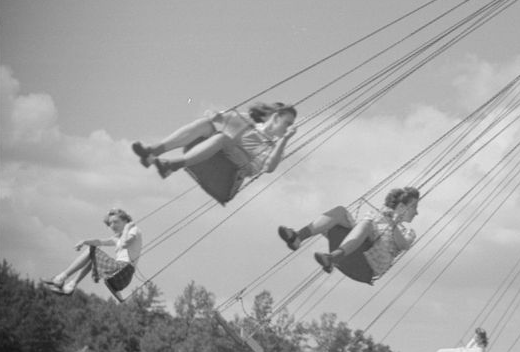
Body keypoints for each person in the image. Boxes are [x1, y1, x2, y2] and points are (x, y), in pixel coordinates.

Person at [277, 187, 420, 282]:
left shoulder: (407, 232)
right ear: (401, 207)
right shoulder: (376, 216)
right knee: (341, 212)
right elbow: (358, 231)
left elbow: (404, 245)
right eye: (414, 207)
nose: (416, 212)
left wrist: (393, 224)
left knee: (367, 223)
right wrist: (384, 218)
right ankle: (297, 237)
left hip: (367, 266)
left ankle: (332, 258)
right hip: (355, 251)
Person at [132, 102, 296, 181]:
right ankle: (152, 153)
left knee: (222, 138)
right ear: (275, 118)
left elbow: (268, 168)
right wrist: (214, 114)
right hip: (225, 151)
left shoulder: (276, 146)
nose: (288, 127)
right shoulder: (249, 123)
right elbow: (217, 115)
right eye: (287, 123)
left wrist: (284, 139)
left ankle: (173, 165)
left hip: (239, 169)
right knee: (205, 124)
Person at [41, 208, 142, 297]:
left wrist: (127, 228)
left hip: (123, 271)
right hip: (120, 278)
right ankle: (71, 285)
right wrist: (84, 241)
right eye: (110, 223)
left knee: (91, 250)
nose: (112, 226)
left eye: (116, 222)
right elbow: (99, 242)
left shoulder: (133, 229)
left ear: (125, 220)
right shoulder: (118, 237)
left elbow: (125, 244)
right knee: (93, 256)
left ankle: (60, 278)